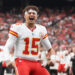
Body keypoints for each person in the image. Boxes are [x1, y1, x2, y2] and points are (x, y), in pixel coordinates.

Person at [3, 5, 54, 75]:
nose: (31, 14)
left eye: (34, 13)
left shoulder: (41, 29)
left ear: (37, 16)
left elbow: (50, 49)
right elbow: (7, 47)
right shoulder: (17, 28)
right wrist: (8, 60)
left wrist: (52, 59)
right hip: (21, 61)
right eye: (29, 13)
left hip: (35, 62)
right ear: (25, 16)